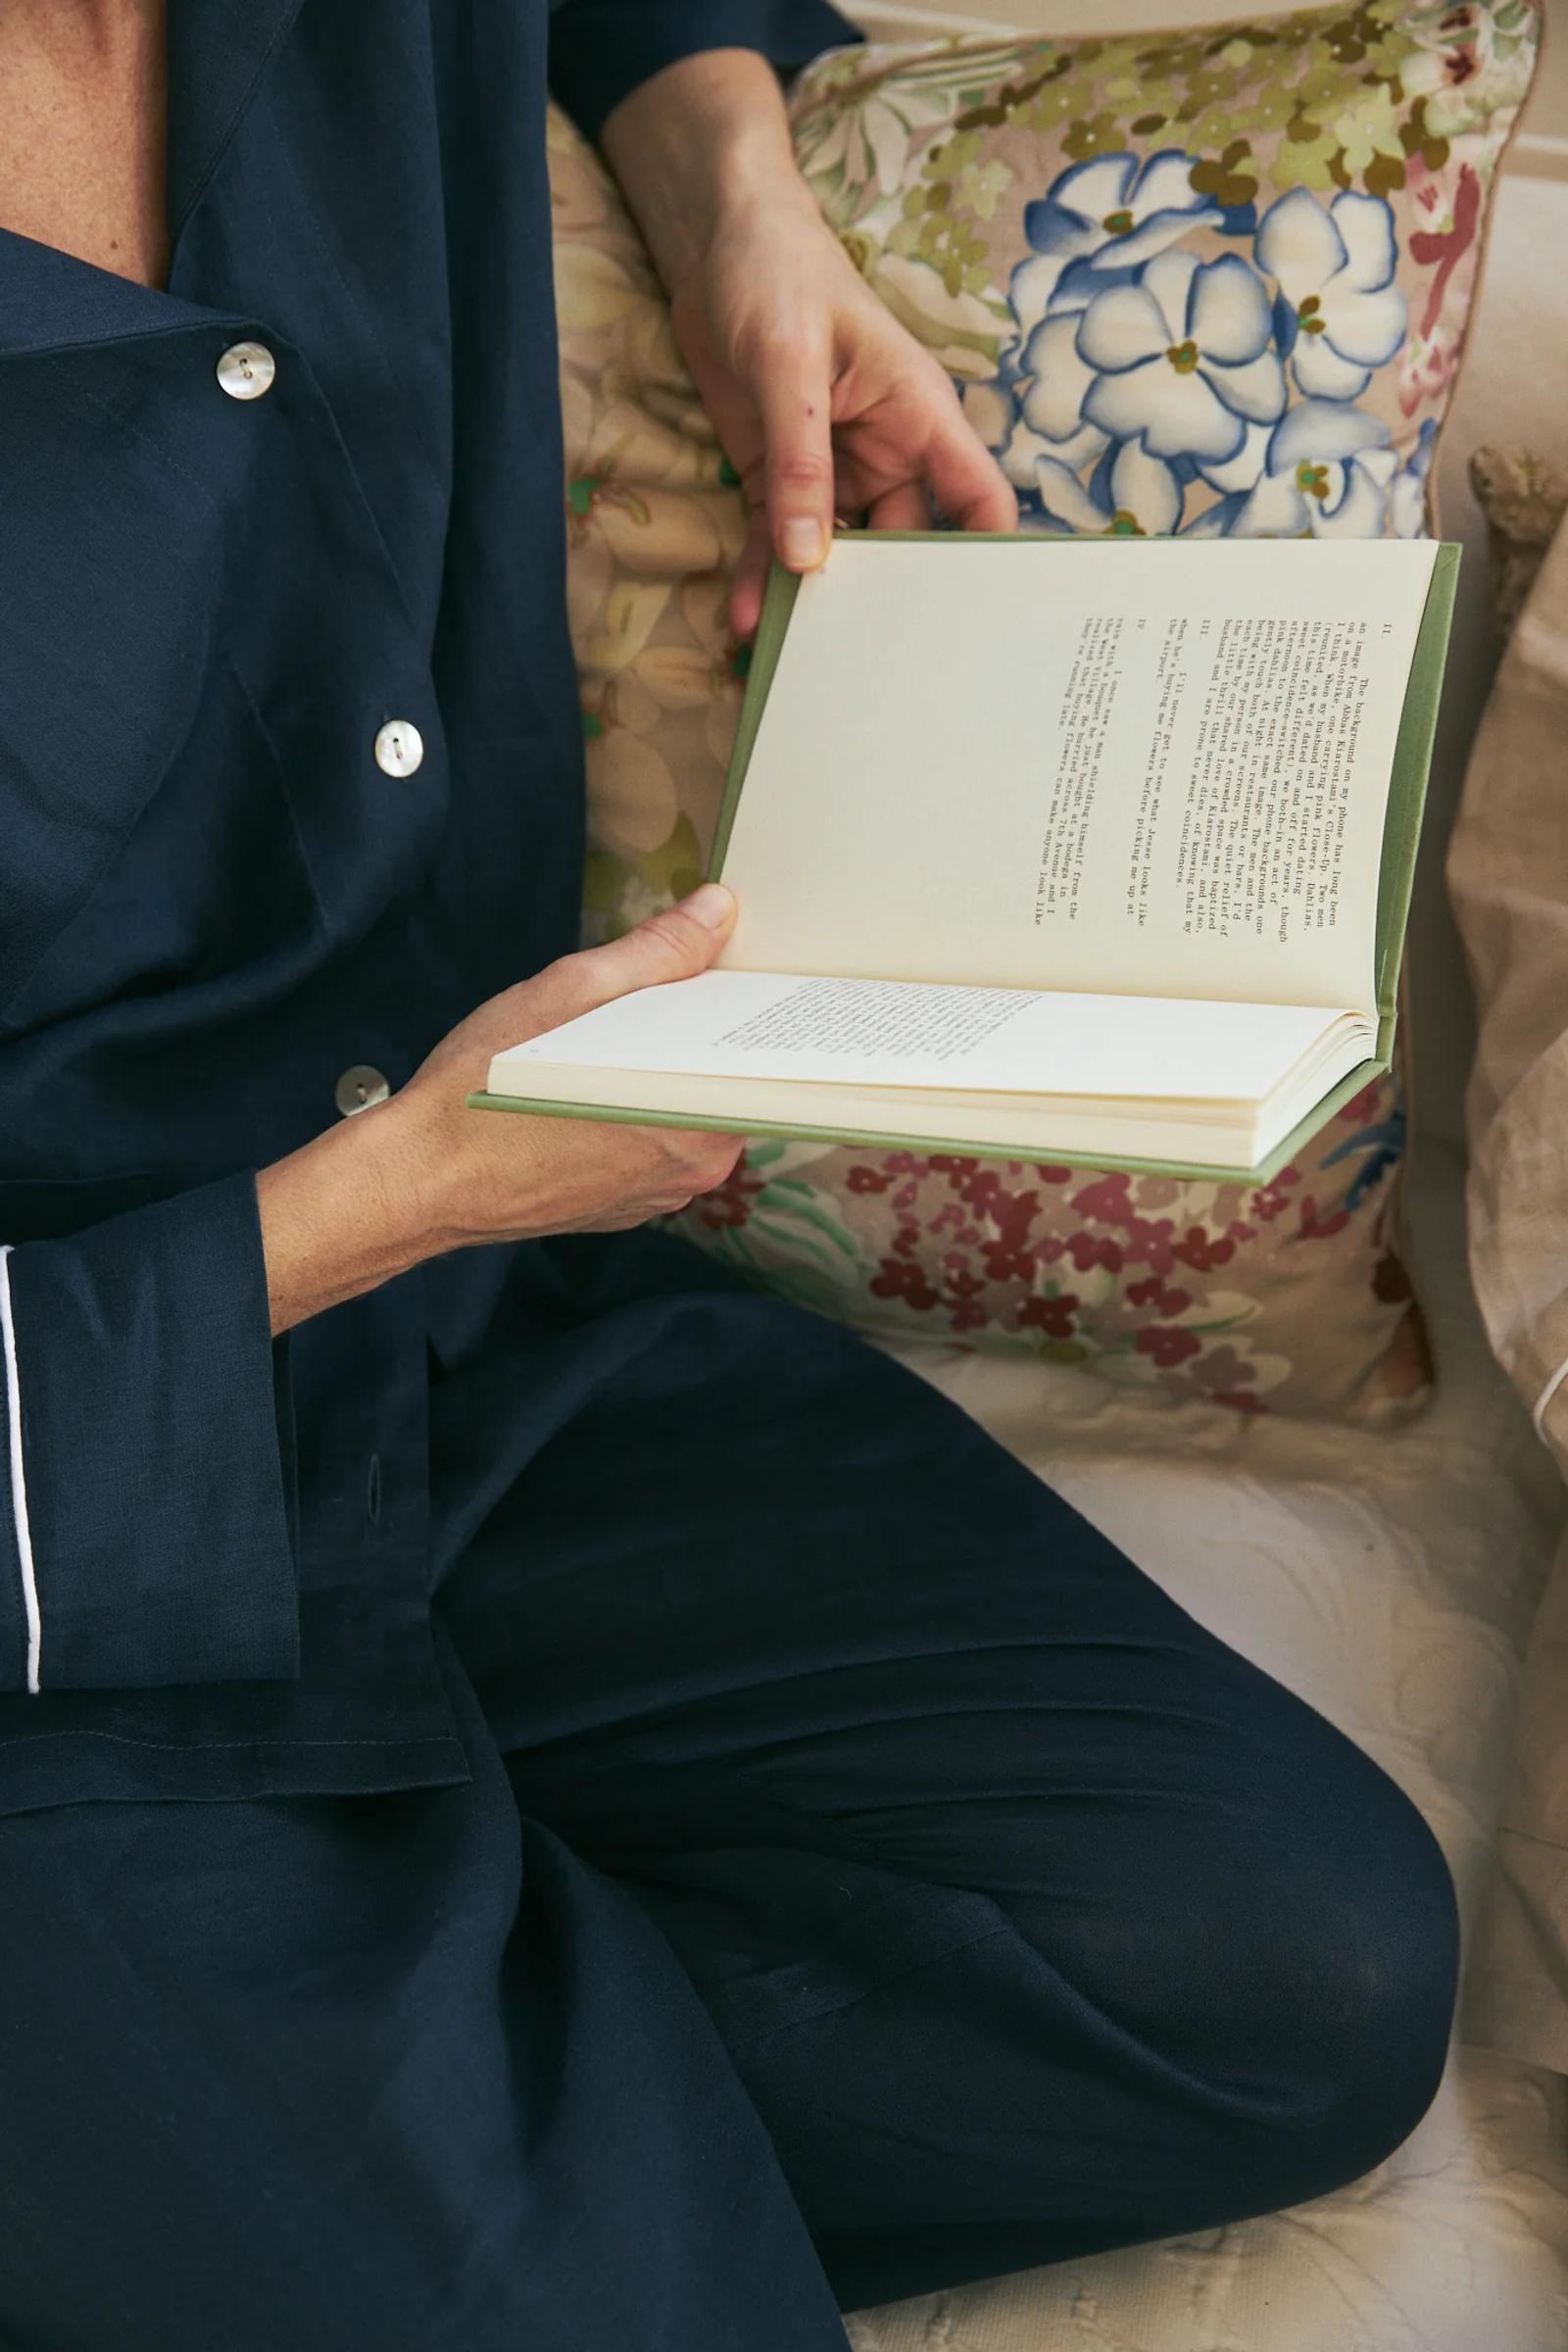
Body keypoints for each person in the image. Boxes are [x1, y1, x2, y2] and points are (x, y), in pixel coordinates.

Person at [0, 6, 1458, 2347]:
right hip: (55, 1509)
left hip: (474, 1336)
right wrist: (389, 1197)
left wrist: (719, 168)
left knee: (1283, 1980)